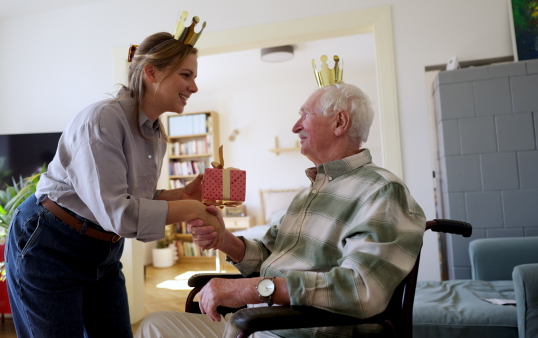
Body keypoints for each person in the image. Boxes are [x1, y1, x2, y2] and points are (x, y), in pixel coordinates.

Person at [136, 82, 426, 338]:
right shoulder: (307, 195)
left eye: (305, 115)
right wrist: (224, 238)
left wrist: (250, 289)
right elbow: (267, 256)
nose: (295, 126)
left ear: (340, 122)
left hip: (291, 330)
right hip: (251, 324)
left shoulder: (381, 190)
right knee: (153, 325)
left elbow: (361, 289)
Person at [5, 14, 220, 338]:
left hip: (103, 253)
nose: (194, 86)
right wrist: (192, 210)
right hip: (50, 244)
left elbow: (134, 199)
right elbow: (119, 213)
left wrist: (185, 195)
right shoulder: (103, 120)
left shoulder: (156, 134)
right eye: (186, 75)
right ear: (151, 72)